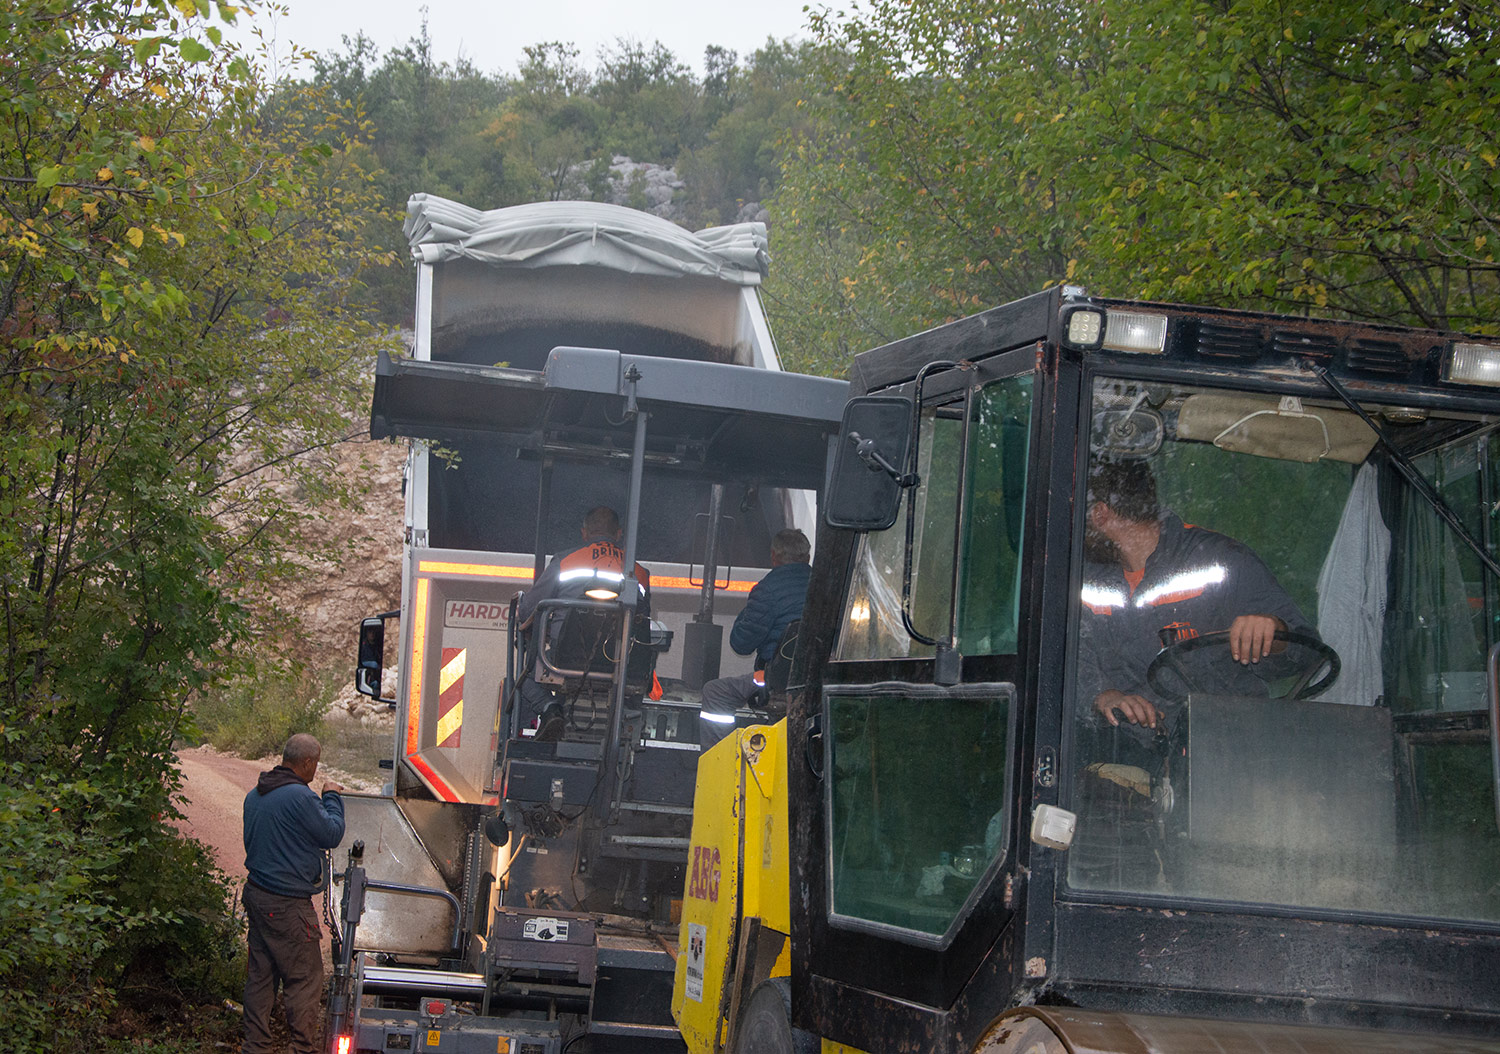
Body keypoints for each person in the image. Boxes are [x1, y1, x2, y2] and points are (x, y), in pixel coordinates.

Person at [1078, 458, 1316, 736]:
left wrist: (1273, 632)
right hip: (1130, 751)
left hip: (1229, 742)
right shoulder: (1087, 581)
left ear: (1100, 514)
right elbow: (1069, 661)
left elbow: (1306, 653)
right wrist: (1102, 696)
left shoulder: (1221, 560)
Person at [241, 733, 345, 1054]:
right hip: (287, 905)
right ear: (308, 763)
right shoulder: (300, 797)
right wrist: (331, 796)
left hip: (257, 896)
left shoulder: (255, 795)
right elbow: (331, 833)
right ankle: (302, 1048)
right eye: (316, 763)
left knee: (261, 975)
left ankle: (255, 1046)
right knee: (306, 977)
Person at [515, 506, 652, 737]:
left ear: (584, 534)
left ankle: (551, 711)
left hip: (565, 658)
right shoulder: (639, 572)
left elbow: (528, 611)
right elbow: (642, 619)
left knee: (525, 674)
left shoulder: (565, 561)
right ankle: (622, 720)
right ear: (618, 534)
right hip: (619, 660)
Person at [699, 528, 813, 750]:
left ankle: (720, 760)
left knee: (715, 693)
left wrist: (747, 611)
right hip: (817, 678)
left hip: (774, 680)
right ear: (808, 558)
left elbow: (741, 644)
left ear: (773, 556)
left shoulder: (767, 590)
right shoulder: (827, 587)